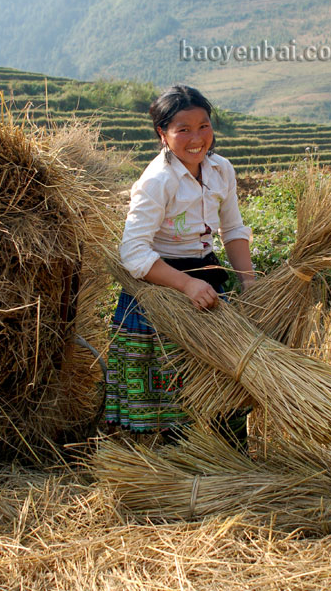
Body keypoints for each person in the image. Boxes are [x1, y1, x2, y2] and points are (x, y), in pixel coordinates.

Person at [106, 85, 255, 439]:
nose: (197, 138)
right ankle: (176, 473)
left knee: (223, 384)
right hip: (163, 287)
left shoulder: (220, 170)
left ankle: (228, 467)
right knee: (170, 400)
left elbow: (232, 228)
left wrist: (249, 282)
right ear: (162, 133)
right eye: (183, 129)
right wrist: (186, 285)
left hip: (209, 281)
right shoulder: (158, 181)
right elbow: (134, 253)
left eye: (204, 126)